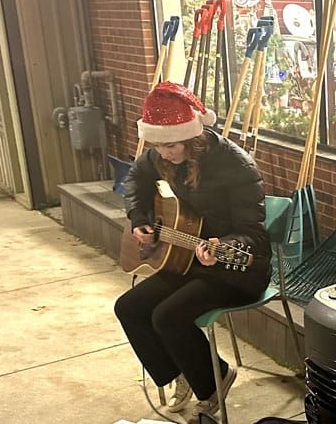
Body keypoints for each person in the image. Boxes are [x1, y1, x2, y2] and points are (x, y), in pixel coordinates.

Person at [114, 81, 270, 422]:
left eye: (170, 146)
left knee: (167, 316)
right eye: (158, 146)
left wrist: (225, 247)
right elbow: (135, 180)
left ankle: (214, 383)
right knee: (128, 307)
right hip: (187, 256)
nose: (164, 154)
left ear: (192, 135)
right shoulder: (161, 155)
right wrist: (140, 218)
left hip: (237, 267)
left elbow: (253, 233)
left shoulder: (235, 164)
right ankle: (181, 372)